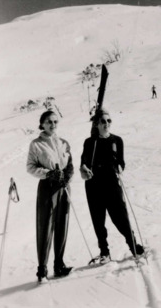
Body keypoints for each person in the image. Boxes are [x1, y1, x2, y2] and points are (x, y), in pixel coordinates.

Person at [80, 108, 144, 264]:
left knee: (120, 217)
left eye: (109, 121)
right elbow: (83, 163)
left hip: (111, 183)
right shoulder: (90, 142)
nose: (106, 124)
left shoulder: (117, 140)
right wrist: (84, 170)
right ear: (96, 124)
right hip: (94, 184)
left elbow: (121, 162)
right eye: (103, 121)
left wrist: (120, 168)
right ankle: (104, 252)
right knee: (98, 219)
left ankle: (133, 246)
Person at [27, 110, 74, 282]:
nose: (52, 125)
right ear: (42, 124)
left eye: (55, 122)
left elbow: (70, 164)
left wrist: (67, 176)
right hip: (47, 187)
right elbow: (30, 167)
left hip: (63, 187)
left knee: (62, 223)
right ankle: (42, 269)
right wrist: (49, 174)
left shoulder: (63, 143)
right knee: (45, 225)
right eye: (49, 122)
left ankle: (59, 264)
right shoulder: (36, 144)